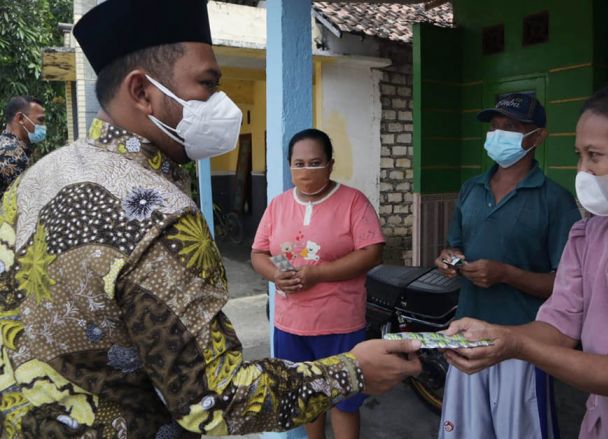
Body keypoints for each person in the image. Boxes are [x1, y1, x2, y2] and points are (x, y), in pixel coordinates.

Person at [0, 0, 421, 437]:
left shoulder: (33, 179)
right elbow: (214, 401)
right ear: (143, 92)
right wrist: (353, 371)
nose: (223, 103)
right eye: (207, 83)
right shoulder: (160, 214)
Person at [442, 77, 608, 438]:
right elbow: (559, 325)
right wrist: (494, 335)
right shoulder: (590, 235)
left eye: (594, 156)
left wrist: (515, 344)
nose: (582, 171)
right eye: (579, 155)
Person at [435, 93, 581, 438]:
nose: (498, 135)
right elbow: (452, 246)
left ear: (538, 137)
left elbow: (565, 287)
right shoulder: (471, 189)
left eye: (511, 128)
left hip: (525, 343)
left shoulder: (555, 201)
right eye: (495, 127)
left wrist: (506, 274)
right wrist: (447, 259)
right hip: (466, 337)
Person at [251, 128, 384, 439]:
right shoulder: (279, 205)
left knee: (344, 401)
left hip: (339, 324)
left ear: (330, 164)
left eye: (315, 163)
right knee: (308, 397)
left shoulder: (353, 202)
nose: (306, 171)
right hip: (291, 325)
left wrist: (318, 274)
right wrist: (275, 274)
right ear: (289, 166)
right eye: (298, 164)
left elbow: (373, 252)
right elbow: (259, 253)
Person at [0, 96, 46, 193]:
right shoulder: (14, 155)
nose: (43, 126)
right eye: (40, 120)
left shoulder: (4, 143)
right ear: (20, 118)